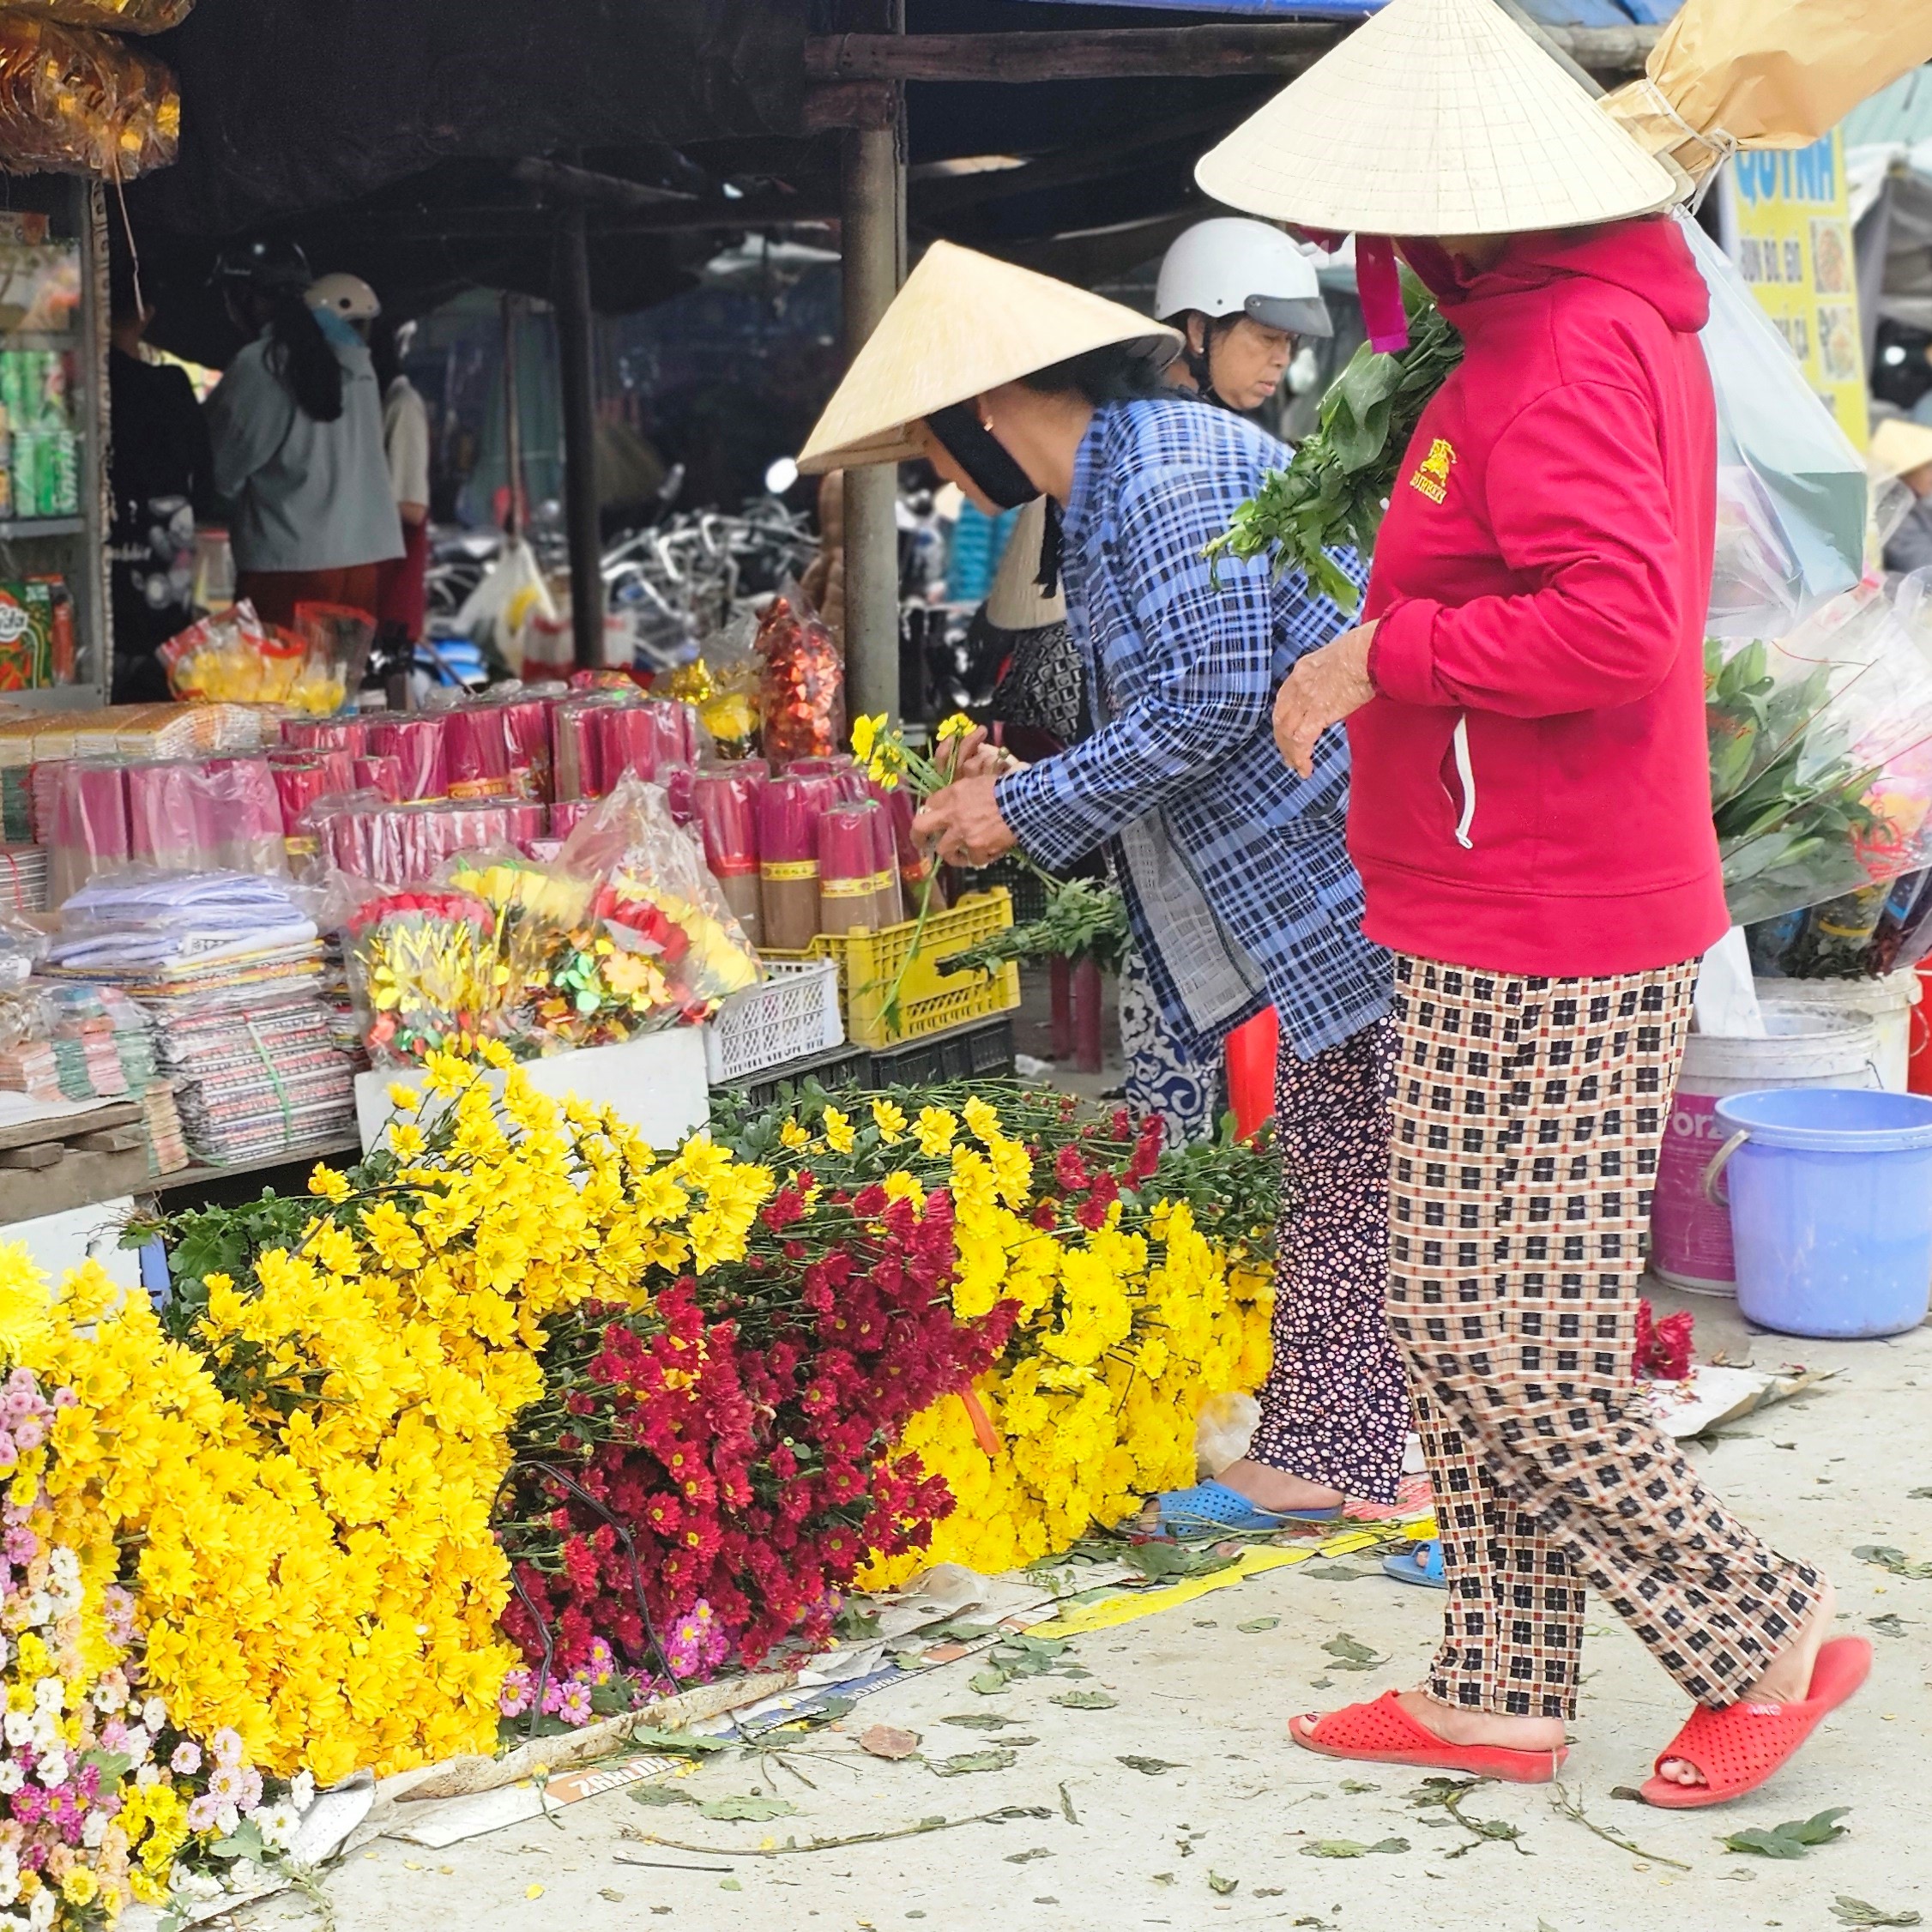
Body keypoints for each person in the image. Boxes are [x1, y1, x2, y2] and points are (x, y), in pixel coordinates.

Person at [1200, 0, 1857, 1804]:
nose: (1356, 249)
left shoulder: (1563, 341)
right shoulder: (1517, 332)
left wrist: (1378, 658)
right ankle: (1498, 1686)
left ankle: (1760, 1627)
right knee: (1453, 1323)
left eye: (1376, 209)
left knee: (1514, 1344)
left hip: (1560, 911)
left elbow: (1614, 623)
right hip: (1482, 898)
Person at [798, 240, 1408, 1533]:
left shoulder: (1170, 473)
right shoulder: (1122, 479)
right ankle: (1332, 1446)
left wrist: (1012, 806)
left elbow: (1213, 699)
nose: (951, 486)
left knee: (1401, 1168)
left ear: (988, 409)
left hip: (1357, 864)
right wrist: (1020, 770)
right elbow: (1177, 694)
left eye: (937, 453)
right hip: (1319, 880)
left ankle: (1436, 1470)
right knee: (1344, 1155)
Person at [204, 241, 401, 627]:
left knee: (278, 685)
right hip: (361, 564)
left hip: (288, 567)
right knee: (337, 687)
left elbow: (219, 467)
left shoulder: (261, 364)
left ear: (247, 298)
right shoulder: (355, 360)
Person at [106, 244, 213, 701]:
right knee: (159, 686)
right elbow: (205, 474)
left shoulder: (81, 381)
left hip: (104, 555)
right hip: (163, 557)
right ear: (147, 313)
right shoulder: (169, 386)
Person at [1155, 215, 1331, 414]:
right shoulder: (1170, 433)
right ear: (1198, 330)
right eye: (1269, 338)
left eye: (1291, 340)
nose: (1283, 359)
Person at [1870, 415, 1932, 583]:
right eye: (1928, 466)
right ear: (1907, 471)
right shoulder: (1892, 513)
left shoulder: (1916, 503)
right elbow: (1922, 566)